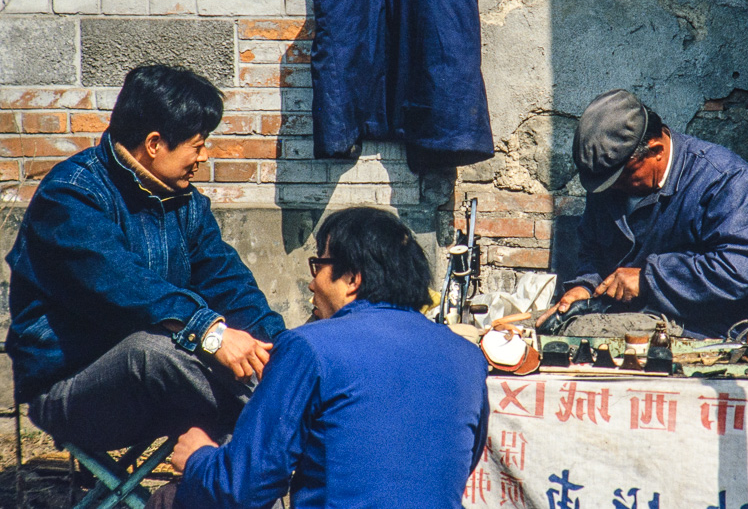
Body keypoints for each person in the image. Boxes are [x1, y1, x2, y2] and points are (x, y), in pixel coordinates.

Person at [4, 65, 286, 452]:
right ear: (154, 144)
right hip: (72, 393)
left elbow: (228, 283)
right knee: (151, 352)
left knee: (262, 366)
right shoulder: (70, 197)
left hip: (162, 381)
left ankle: (269, 428)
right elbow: (124, 286)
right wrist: (211, 333)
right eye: (198, 144)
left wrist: (281, 351)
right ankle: (283, 416)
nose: (204, 156)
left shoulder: (185, 203)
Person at [164, 207, 490, 508]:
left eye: (318, 265)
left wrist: (198, 458)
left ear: (352, 279)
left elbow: (248, 484)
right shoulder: (468, 359)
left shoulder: (308, 346)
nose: (311, 282)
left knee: (169, 499)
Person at [538, 89, 748, 338]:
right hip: (630, 322)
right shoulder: (610, 179)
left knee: (577, 333)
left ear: (656, 150)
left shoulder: (724, 179)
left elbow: (745, 272)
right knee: (540, 328)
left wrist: (649, 280)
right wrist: (586, 286)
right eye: (607, 183)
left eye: (624, 177)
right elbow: (592, 250)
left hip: (708, 332)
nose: (614, 188)